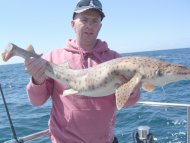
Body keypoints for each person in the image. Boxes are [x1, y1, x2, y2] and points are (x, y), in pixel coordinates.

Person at [24, 0, 140, 143]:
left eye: (95, 21)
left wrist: (132, 90)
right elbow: (37, 101)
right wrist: (37, 80)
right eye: (84, 19)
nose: (89, 26)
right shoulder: (53, 58)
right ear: (72, 24)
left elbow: (127, 103)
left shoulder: (116, 60)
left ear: (100, 26)